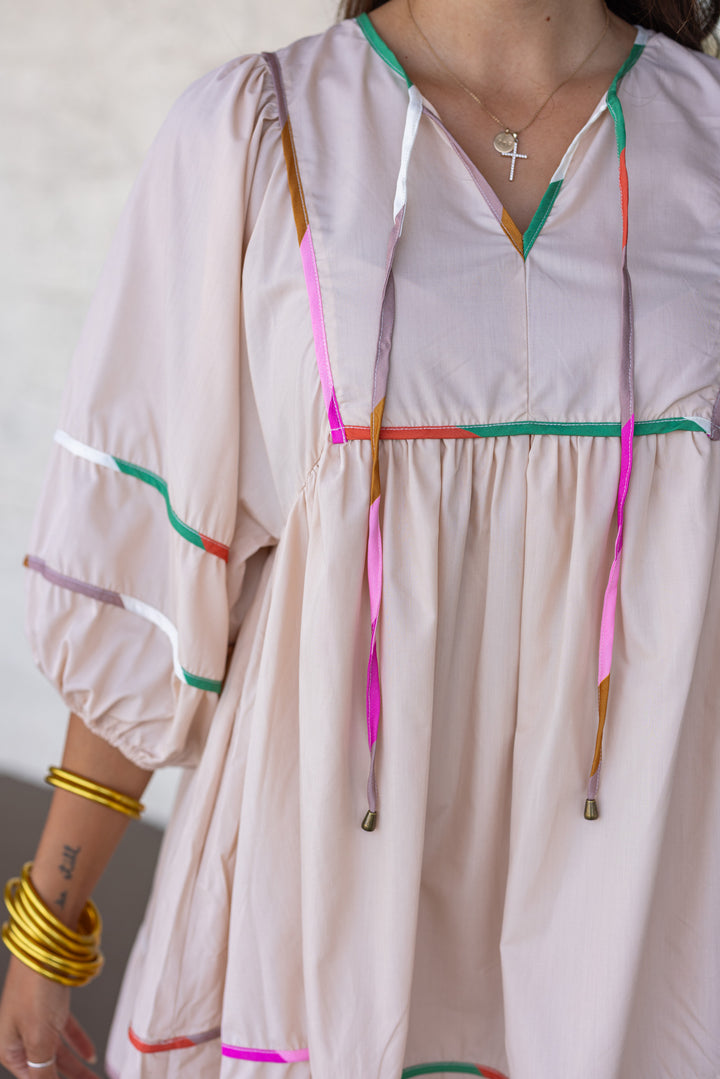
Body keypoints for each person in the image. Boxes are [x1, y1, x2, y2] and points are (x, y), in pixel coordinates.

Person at [2, 0, 720, 1075]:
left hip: (649, 915)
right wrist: (48, 921)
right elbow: (156, 574)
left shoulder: (704, 137)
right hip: (327, 922)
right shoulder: (261, 133)